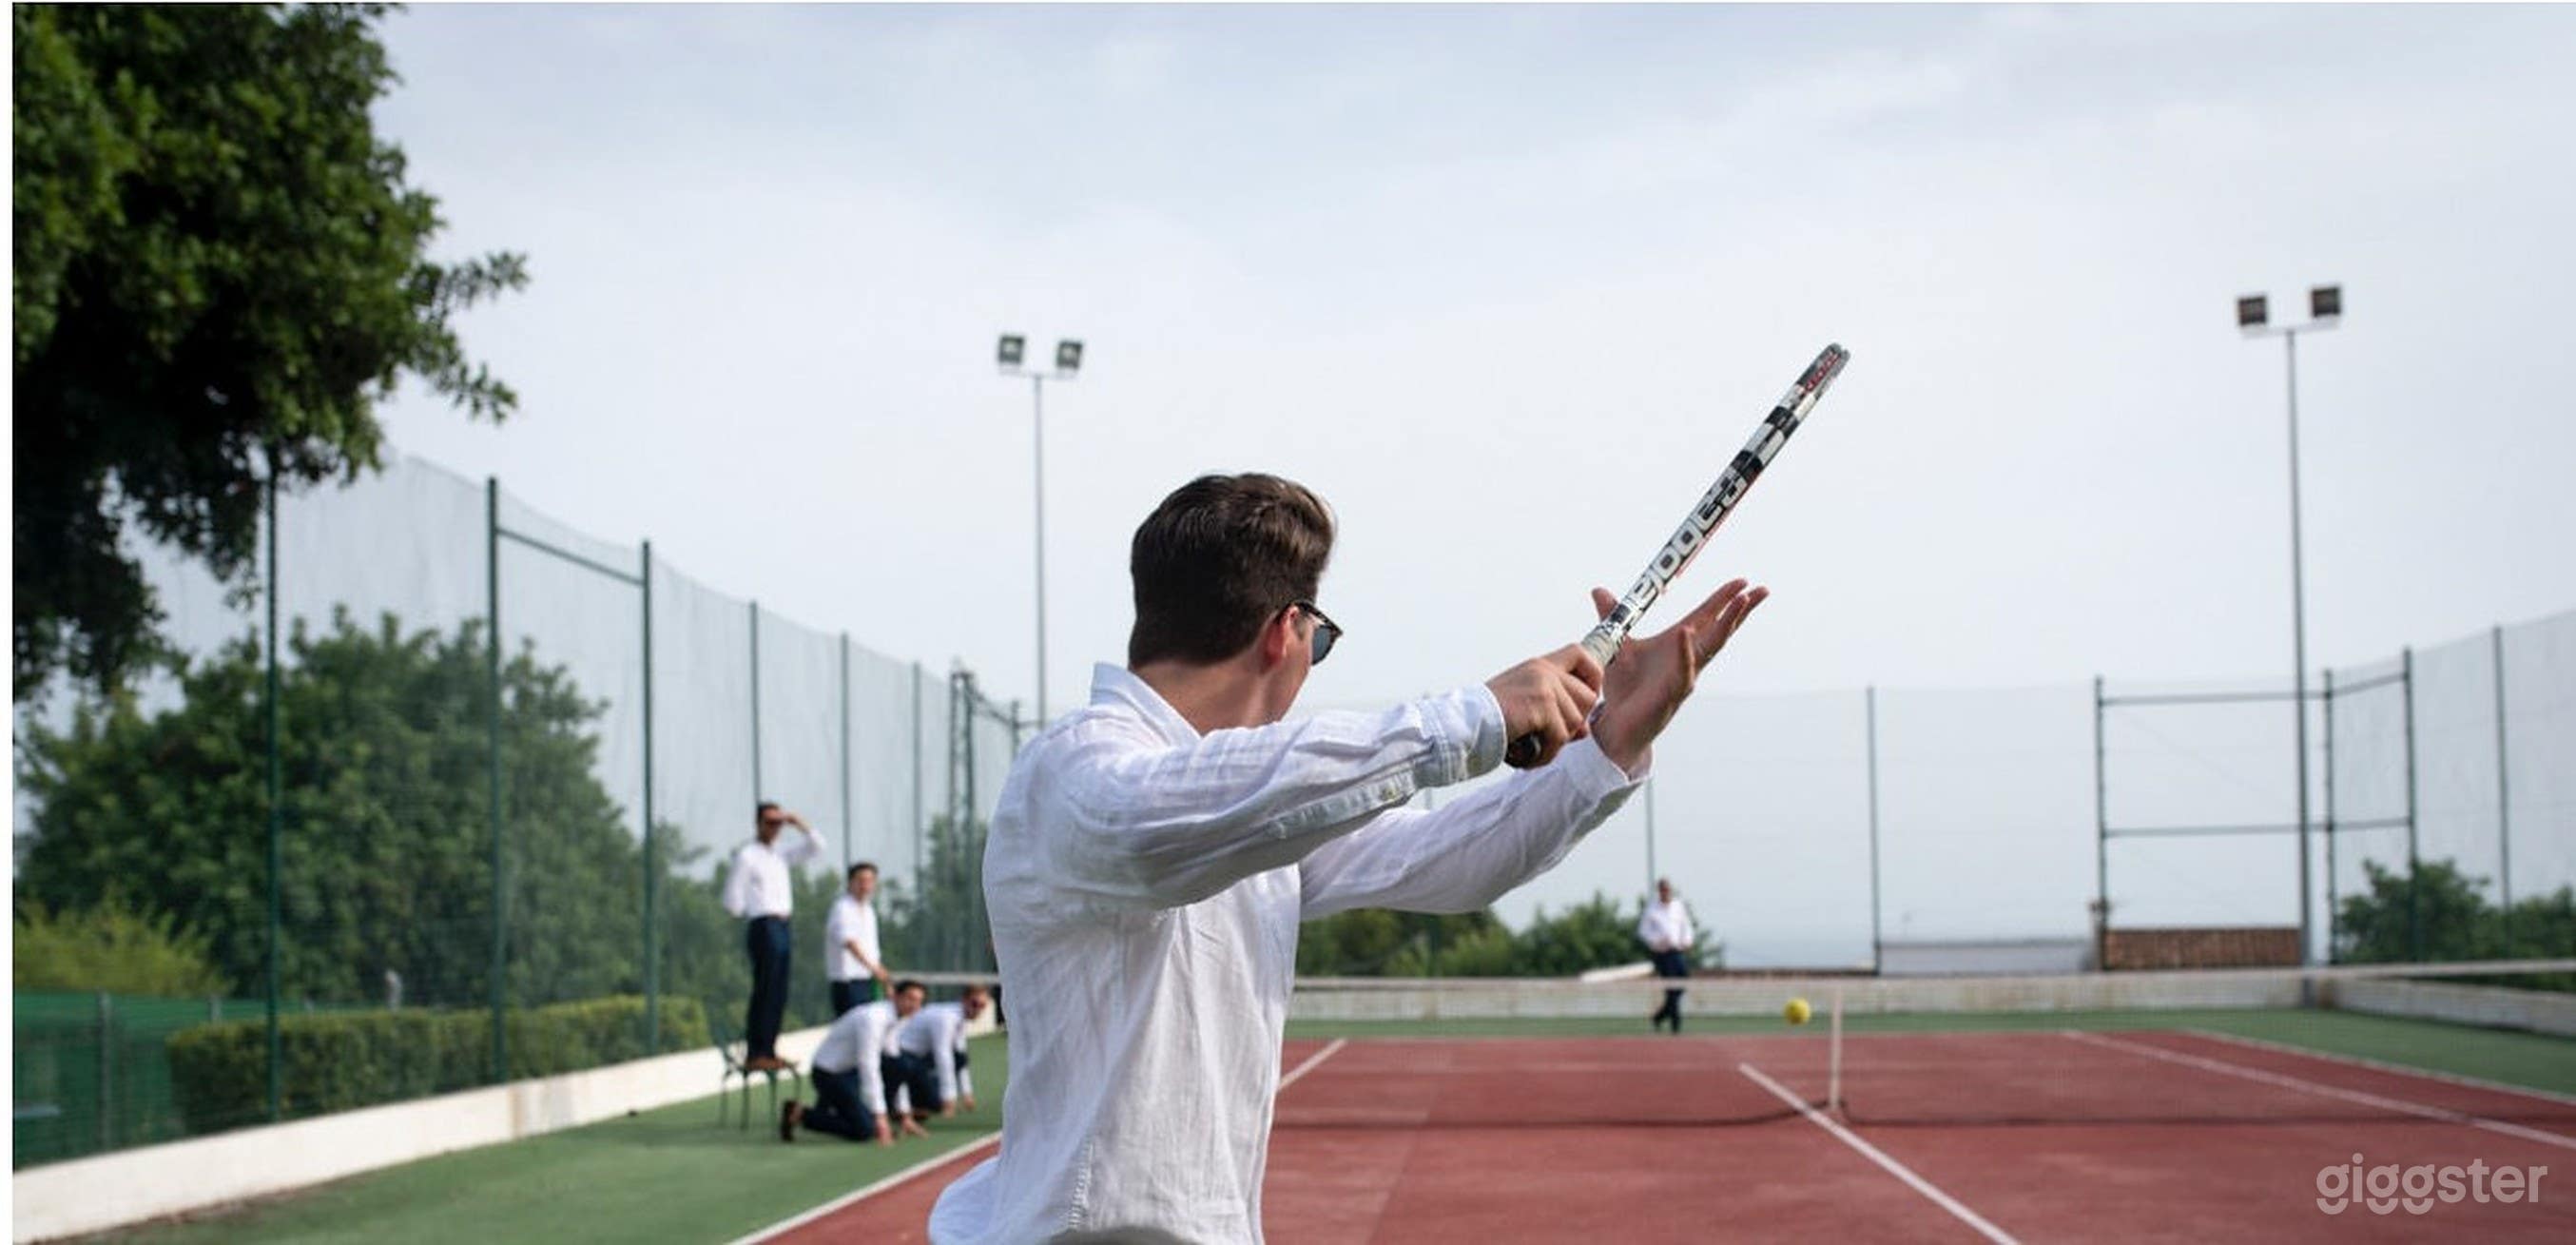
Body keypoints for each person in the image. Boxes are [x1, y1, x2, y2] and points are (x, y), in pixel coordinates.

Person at [928, 473, 1768, 1243]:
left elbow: (1446, 857)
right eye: (1318, 640)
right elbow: (1152, 823)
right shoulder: (1078, 768)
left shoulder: (1242, 815)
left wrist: (1608, 744)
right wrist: (1475, 716)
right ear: (1285, 633)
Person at [722, 801, 820, 1071]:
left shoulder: (780, 854)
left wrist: (798, 823)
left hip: (784, 924)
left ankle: (769, 1049)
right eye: (770, 822)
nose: (775, 828)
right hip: (764, 924)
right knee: (765, 989)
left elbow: (816, 847)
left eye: (779, 823)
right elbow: (732, 898)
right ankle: (757, 1051)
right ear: (758, 823)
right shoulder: (747, 855)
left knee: (778, 991)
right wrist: (752, 911)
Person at [783, 982, 928, 1145]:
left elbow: (896, 1065)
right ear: (895, 996)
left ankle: (880, 1115)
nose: (914, 1005)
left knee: (902, 1065)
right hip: (830, 1074)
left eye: (918, 1001)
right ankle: (801, 1114)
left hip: (850, 1071)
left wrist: (905, 1114)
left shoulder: (895, 1019)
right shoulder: (874, 1018)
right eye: (909, 998)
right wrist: (879, 1116)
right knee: (863, 1130)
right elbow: (868, 1064)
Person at [892, 982, 991, 1118]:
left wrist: (967, 1093)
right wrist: (948, 1098)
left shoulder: (959, 1018)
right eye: (975, 1004)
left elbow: (959, 1055)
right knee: (936, 1103)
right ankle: (901, 1105)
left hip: (921, 1058)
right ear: (964, 1000)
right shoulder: (947, 1019)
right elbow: (943, 1056)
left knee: (960, 1058)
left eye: (983, 1006)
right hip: (904, 1057)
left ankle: (919, 1098)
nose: (978, 1010)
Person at [825, 862, 892, 1016]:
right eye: (861, 881)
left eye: (870, 881)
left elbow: (871, 948)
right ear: (850, 883)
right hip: (847, 980)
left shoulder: (869, 910)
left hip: (868, 979)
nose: (865, 886)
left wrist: (880, 974)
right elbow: (849, 943)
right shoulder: (842, 908)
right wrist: (874, 968)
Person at [1638, 877, 1696, 1033]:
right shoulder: (1652, 908)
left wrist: (1687, 941)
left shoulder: (1678, 906)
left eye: (1667, 889)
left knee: (1682, 983)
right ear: (1659, 891)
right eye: (1662, 890)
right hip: (1663, 954)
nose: (1665, 892)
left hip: (1677, 952)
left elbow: (1686, 926)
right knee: (1671, 988)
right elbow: (1644, 931)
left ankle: (1660, 1015)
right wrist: (1657, 941)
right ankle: (1675, 1025)